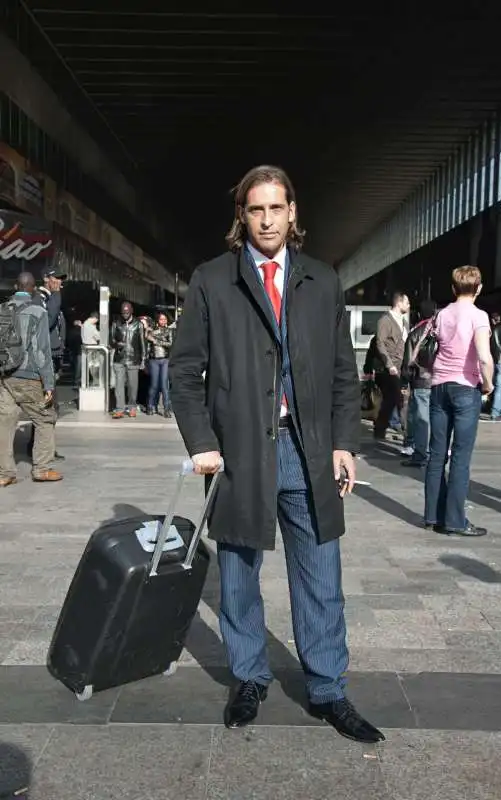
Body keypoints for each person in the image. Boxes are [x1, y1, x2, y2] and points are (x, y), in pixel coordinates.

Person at [170, 164, 384, 743]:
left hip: (308, 451)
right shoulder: (214, 280)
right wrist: (203, 445)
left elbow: (345, 372)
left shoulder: (322, 281)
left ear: (293, 213)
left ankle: (328, 689)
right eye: (255, 209)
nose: (266, 219)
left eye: (276, 208)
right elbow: (184, 371)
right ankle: (248, 678)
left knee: (320, 577)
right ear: (242, 216)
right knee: (238, 578)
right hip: (238, 454)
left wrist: (345, 442)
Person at [425, 266, 493, 536]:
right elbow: (484, 357)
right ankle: (455, 520)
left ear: (453, 289)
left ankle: (432, 515)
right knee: (461, 457)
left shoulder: (441, 314)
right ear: (478, 288)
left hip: (439, 386)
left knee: (436, 454)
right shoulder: (479, 316)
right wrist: (487, 385)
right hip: (466, 388)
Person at [0, 272, 63, 486]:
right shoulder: (38, 312)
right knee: (45, 418)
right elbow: (42, 351)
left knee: (5, 423)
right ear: (33, 288)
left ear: (16, 286)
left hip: (5, 376)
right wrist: (49, 383)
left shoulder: (2, 308)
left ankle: (5, 473)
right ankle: (42, 469)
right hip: (28, 376)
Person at [28, 267, 67, 460]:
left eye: (61, 280)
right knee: (46, 405)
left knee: (50, 405)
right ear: (46, 279)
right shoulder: (40, 299)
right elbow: (48, 321)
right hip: (43, 360)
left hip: (52, 358)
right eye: (56, 278)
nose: (59, 282)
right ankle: (40, 448)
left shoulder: (50, 299)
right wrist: (57, 296)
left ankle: (43, 446)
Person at [401, 299, 437, 467]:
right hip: (439, 381)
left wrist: (404, 382)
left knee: (421, 420)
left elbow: (407, 363)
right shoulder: (440, 330)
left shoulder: (416, 332)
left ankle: (421, 454)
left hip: (421, 381)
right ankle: (437, 452)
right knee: (435, 418)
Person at [373, 291, 410, 440]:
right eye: (406, 302)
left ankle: (381, 429)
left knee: (393, 400)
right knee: (397, 399)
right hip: (390, 368)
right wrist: (389, 364)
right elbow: (379, 343)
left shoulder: (404, 322)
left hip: (402, 366)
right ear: (399, 302)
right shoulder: (385, 320)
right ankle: (406, 433)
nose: (408, 305)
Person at [110, 302, 146, 419]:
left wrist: (143, 359)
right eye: (123, 312)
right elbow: (111, 340)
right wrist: (117, 344)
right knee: (119, 385)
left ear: (131, 311)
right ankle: (119, 409)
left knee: (132, 386)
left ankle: (132, 407)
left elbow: (142, 342)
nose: (125, 314)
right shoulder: (116, 323)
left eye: (127, 312)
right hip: (119, 359)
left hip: (133, 358)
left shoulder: (138, 324)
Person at [146, 312, 173, 417]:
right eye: (161, 319)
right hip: (154, 360)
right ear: (158, 320)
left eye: (165, 319)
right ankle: (150, 406)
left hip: (165, 360)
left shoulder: (168, 331)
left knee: (164, 385)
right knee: (154, 385)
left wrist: (156, 341)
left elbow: (170, 344)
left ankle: (166, 409)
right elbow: (148, 347)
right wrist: (145, 361)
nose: (163, 321)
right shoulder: (151, 331)